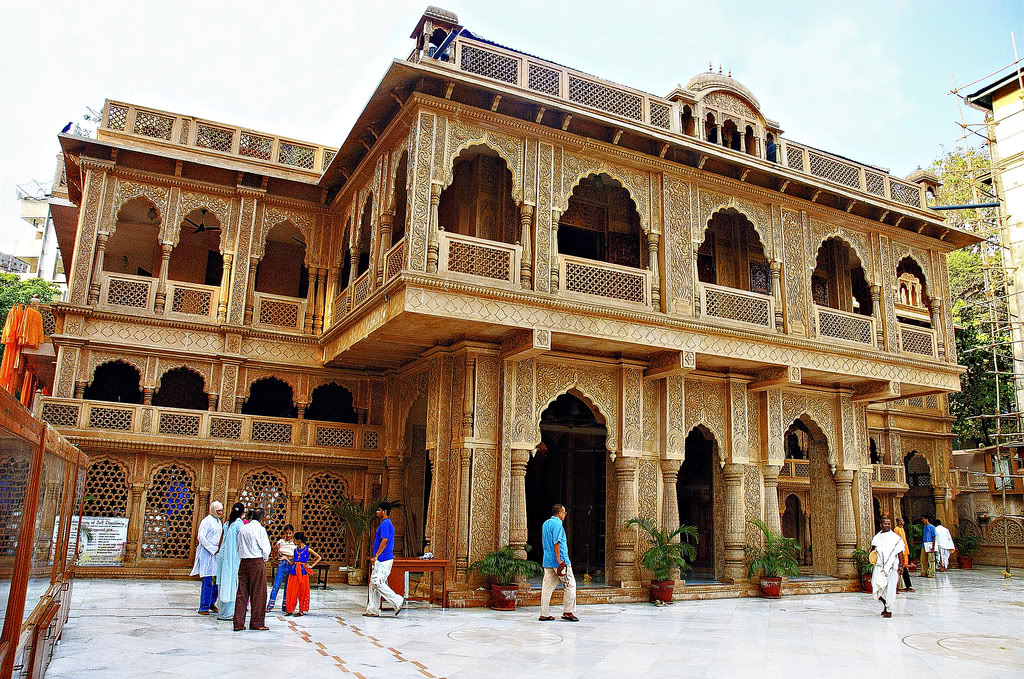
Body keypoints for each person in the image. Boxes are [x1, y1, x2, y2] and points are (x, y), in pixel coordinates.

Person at [233, 508, 272, 631]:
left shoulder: (243, 528)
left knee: (242, 593)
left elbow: (238, 546)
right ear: (262, 518)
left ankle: (238, 623)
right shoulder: (260, 529)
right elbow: (266, 549)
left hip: (244, 562)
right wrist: (263, 559)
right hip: (256, 561)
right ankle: (257, 622)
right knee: (258, 593)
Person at [364, 501, 404, 617]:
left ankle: (397, 601)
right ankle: (372, 610)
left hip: (384, 558)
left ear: (384, 511)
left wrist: (376, 555)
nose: (377, 512)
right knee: (373, 584)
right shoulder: (384, 523)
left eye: (379, 510)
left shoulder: (386, 523)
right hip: (381, 559)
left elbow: (385, 540)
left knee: (377, 582)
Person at [539, 504, 578, 623]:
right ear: (559, 513)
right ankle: (568, 611)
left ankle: (544, 614)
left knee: (547, 588)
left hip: (548, 561)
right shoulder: (558, 525)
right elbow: (557, 543)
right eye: (564, 513)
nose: (565, 515)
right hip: (559, 561)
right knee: (570, 584)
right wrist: (560, 560)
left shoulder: (546, 524)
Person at [190, 501, 223, 615]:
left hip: (216, 554)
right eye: (218, 510)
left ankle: (211, 603)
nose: (220, 512)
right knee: (208, 580)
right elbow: (201, 537)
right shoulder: (207, 521)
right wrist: (212, 548)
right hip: (207, 554)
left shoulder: (218, 521)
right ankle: (204, 606)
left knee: (215, 581)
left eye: (221, 510)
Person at [216, 503, 246, 620]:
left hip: (224, 557)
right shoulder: (239, 524)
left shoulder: (227, 523)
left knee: (225, 581)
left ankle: (223, 611)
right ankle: (228, 612)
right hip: (233, 558)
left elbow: (221, 541)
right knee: (232, 583)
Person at [870, 517, 905, 618]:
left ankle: (889, 610)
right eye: (885, 524)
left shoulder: (896, 538)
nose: (887, 525)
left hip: (892, 567)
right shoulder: (877, 537)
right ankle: (886, 604)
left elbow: (900, 553)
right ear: (881, 525)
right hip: (879, 566)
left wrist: (901, 565)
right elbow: (873, 550)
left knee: (890, 589)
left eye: (889, 523)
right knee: (876, 585)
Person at [285, 531, 321, 616]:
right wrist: (286, 559)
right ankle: (290, 609)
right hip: (294, 572)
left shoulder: (307, 549)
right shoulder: (295, 550)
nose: (293, 541)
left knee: (302, 591)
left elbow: (319, 557)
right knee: (291, 590)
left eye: (294, 540)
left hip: (303, 572)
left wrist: (311, 566)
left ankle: (301, 610)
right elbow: (293, 563)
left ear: (299, 540)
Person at [268, 524, 296, 613]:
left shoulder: (295, 543)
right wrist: (275, 549)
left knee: (288, 587)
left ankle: (285, 605)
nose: (288, 535)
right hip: (282, 564)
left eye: (290, 533)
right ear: (284, 533)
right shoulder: (280, 542)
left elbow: (296, 556)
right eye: (286, 533)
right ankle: (270, 605)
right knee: (277, 585)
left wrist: (287, 557)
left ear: (292, 533)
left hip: (291, 564)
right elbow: (274, 556)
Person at [893, 518, 915, 593]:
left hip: (904, 550)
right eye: (901, 521)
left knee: (904, 569)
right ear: (898, 522)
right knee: (900, 569)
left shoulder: (902, 529)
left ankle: (907, 586)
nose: (903, 522)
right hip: (900, 551)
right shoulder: (896, 529)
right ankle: (897, 587)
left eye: (903, 520)